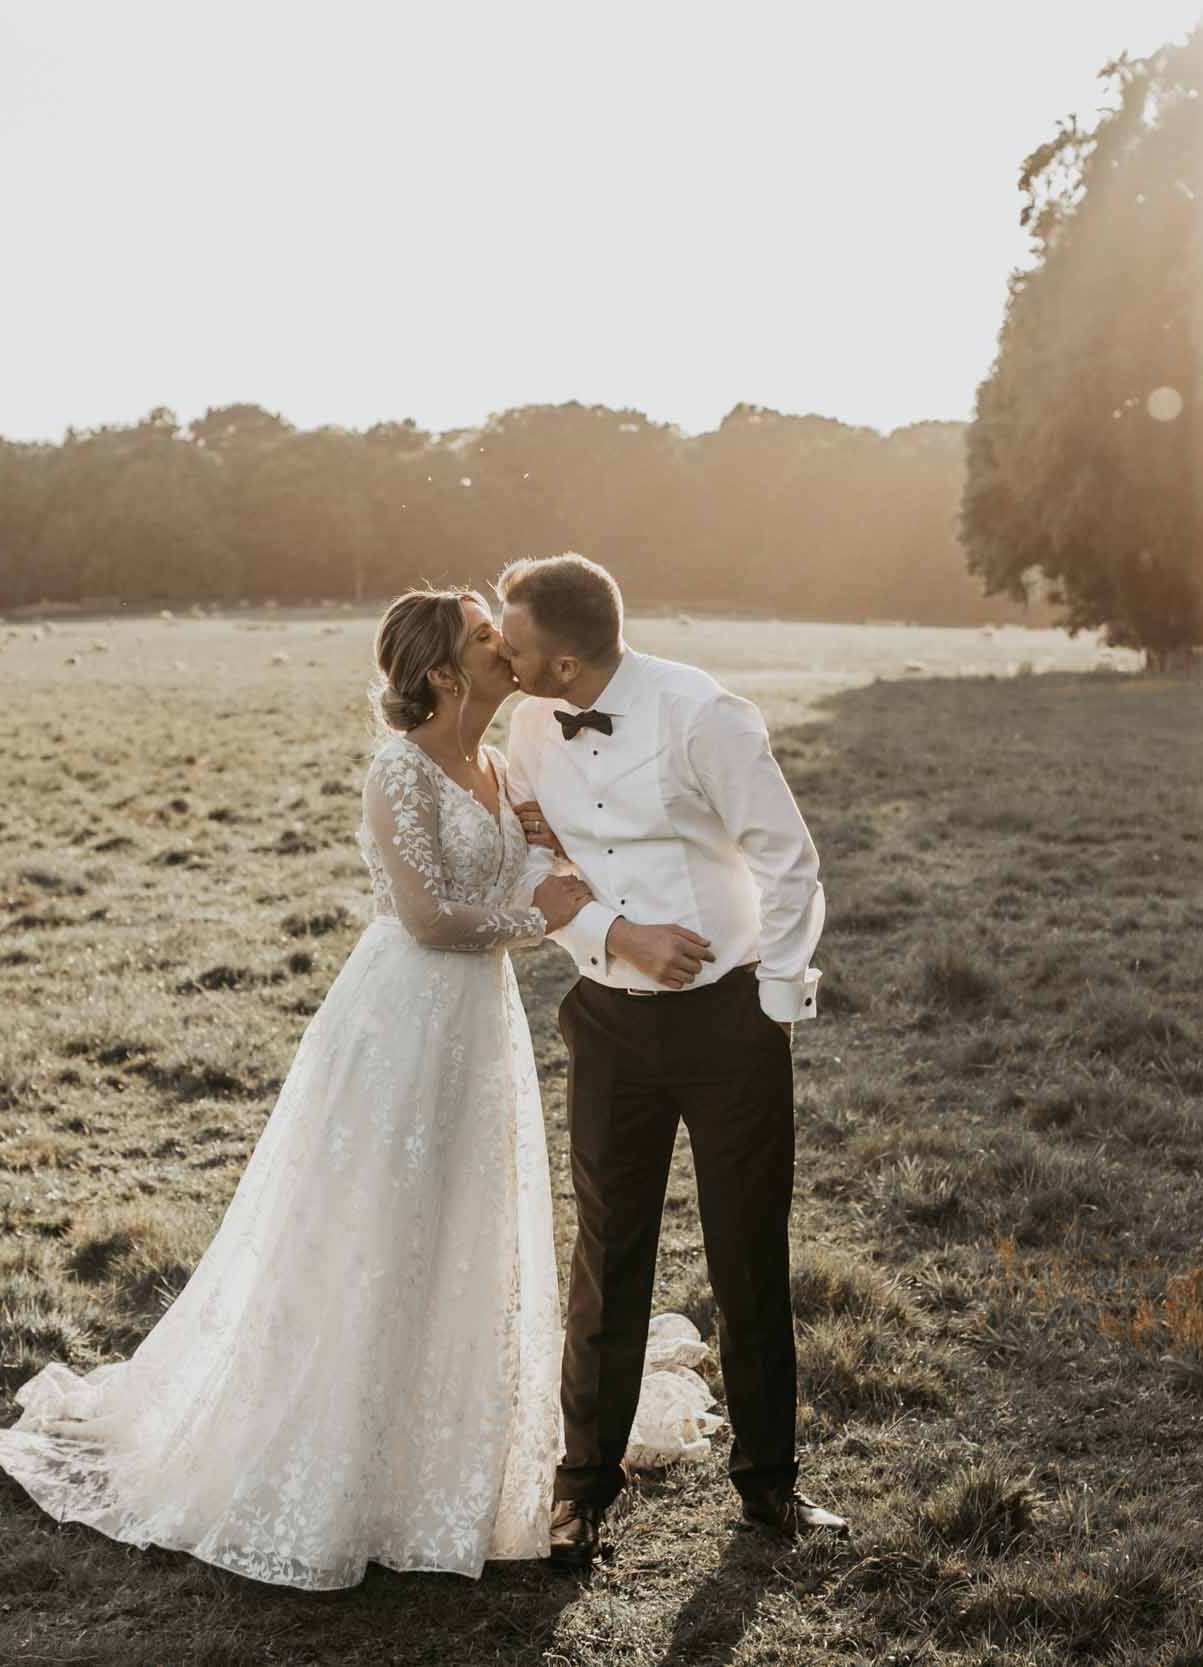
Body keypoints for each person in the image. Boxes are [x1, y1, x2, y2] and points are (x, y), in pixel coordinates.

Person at [0, 588, 594, 1590]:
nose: (506, 647)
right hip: (401, 1015)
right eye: (488, 637)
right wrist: (537, 919)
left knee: (459, 1213)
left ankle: (440, 1452)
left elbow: (540, 855)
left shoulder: (499, 762)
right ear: (444, 670)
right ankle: (330, 1452)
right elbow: (430, 916)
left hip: (480, 1028)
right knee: (369, 1218)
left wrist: (557, 871)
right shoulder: (396, 771)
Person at [496, 552, 845, 1567]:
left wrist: (768, 1009)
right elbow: (529, 855)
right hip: (607, 1015)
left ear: (563, 661)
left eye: (513, 646)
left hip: (731, 1022)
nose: (498, 658)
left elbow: (788, 858)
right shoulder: (527, 721)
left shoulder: (704, 714)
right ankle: (581, 1494)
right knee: (607, 1257)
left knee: (748, 1253)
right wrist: (618, 934)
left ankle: (771, 1486)